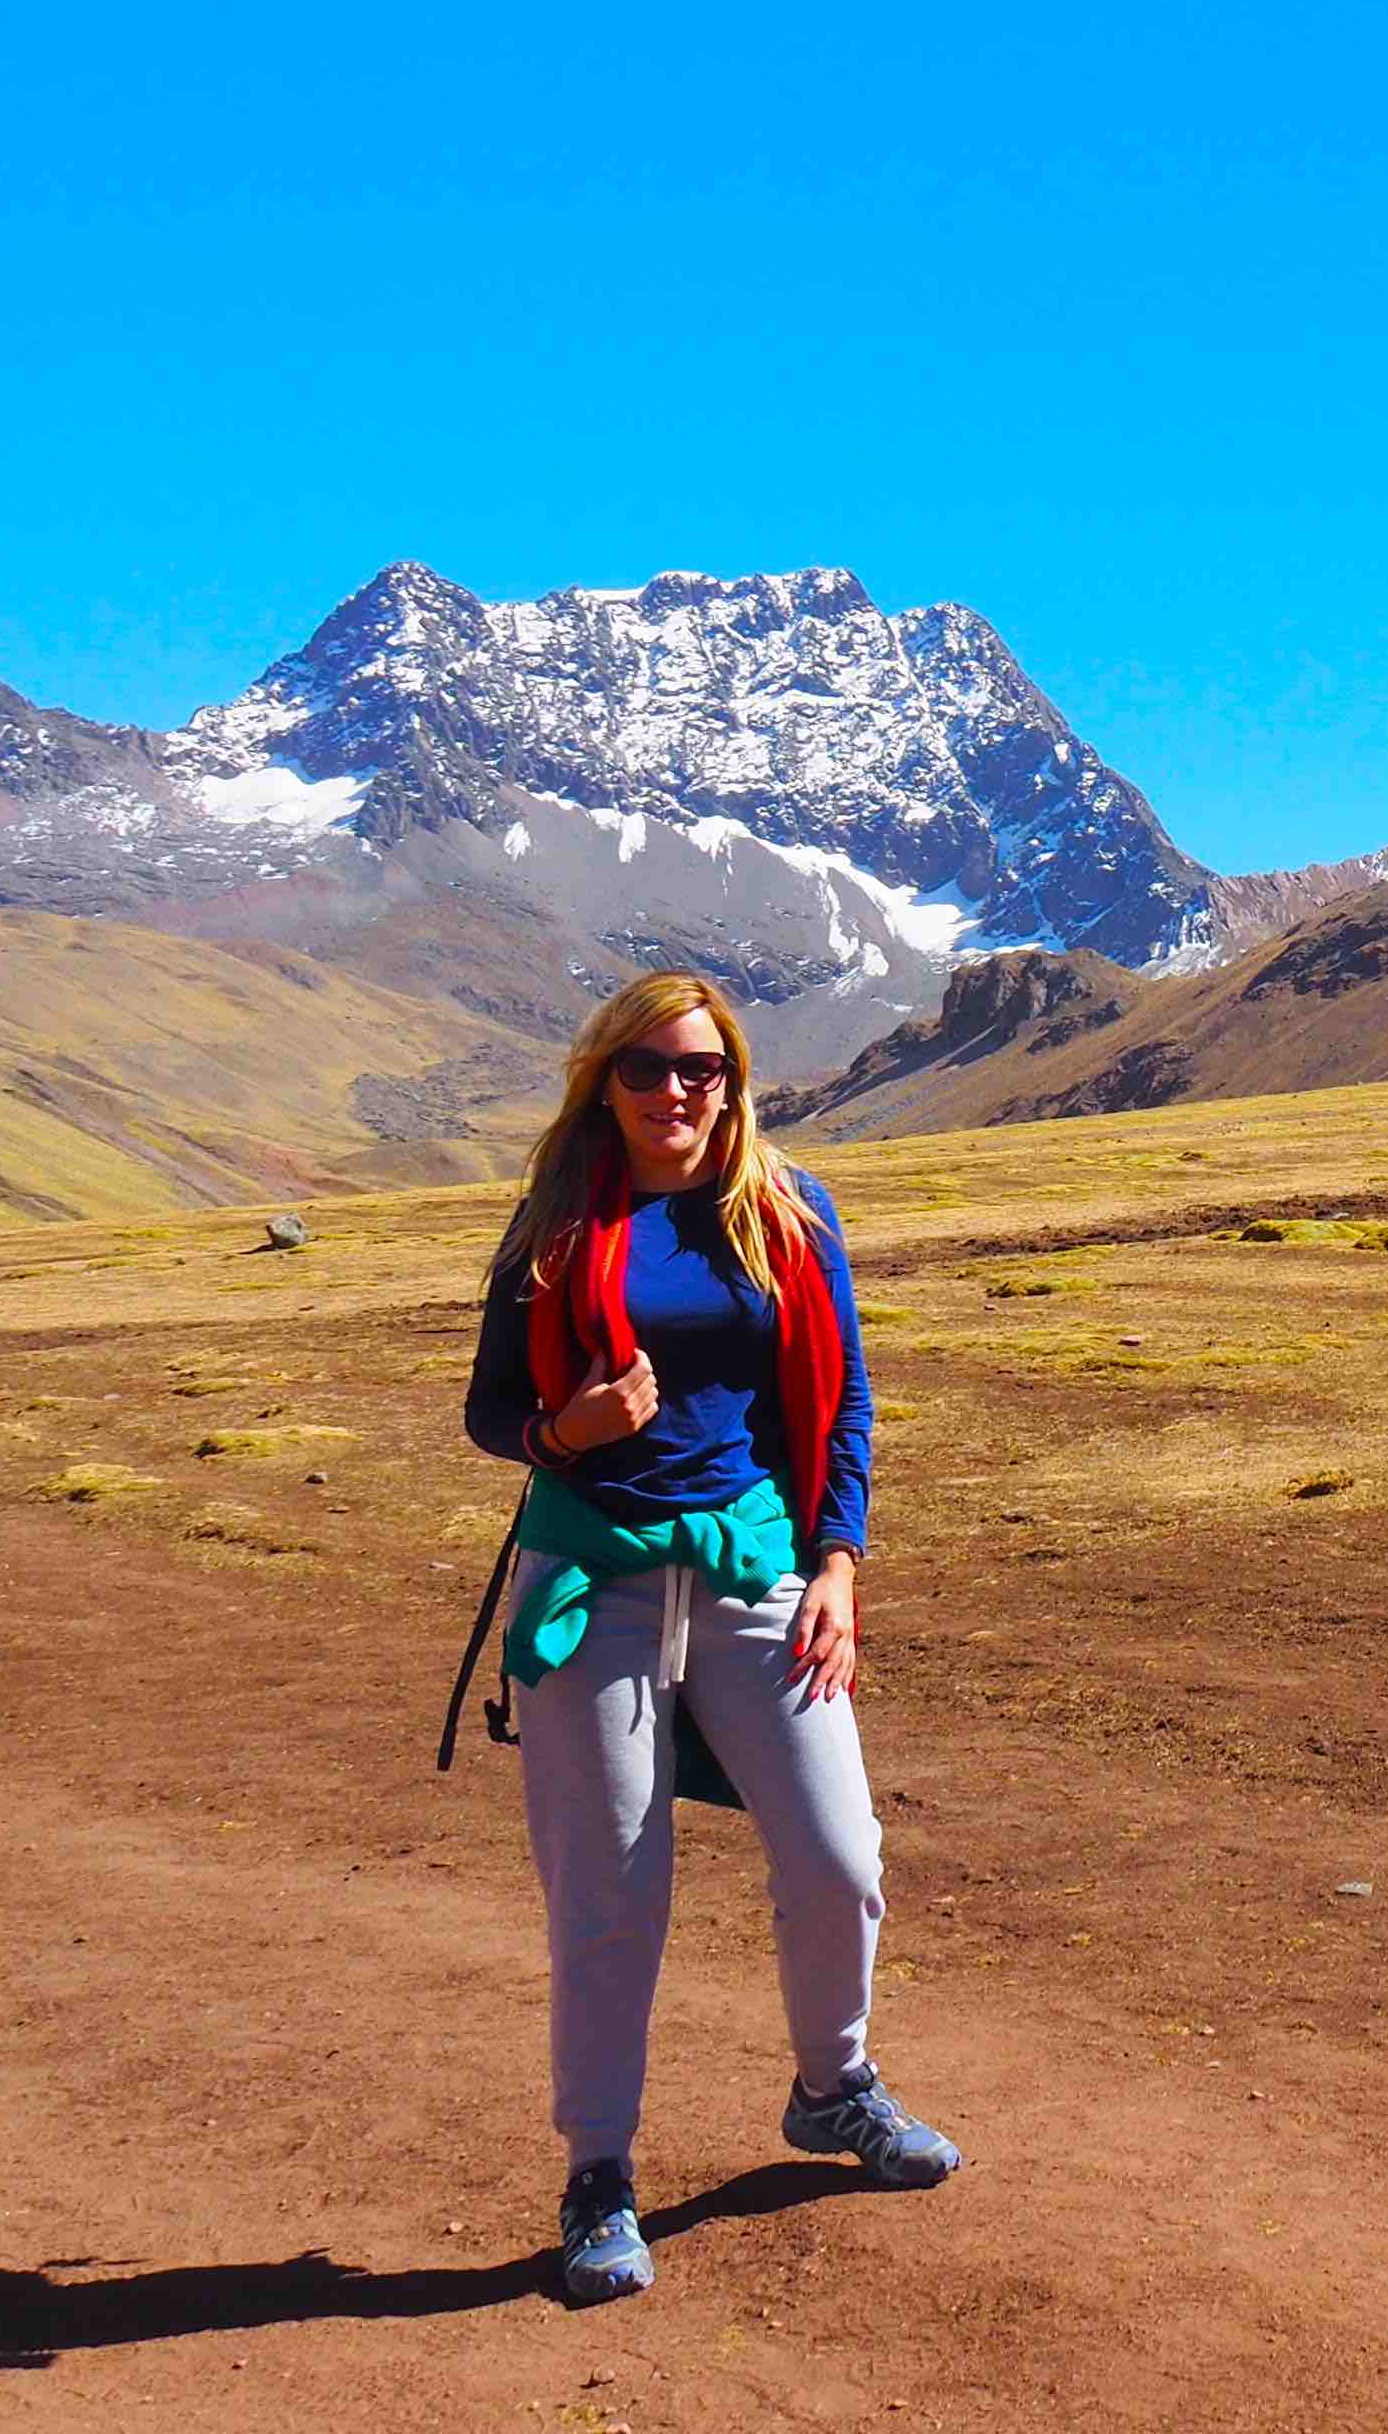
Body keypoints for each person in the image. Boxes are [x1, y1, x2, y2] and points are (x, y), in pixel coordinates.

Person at [458, 970, 955, 2309]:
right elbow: (492, 1410)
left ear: (734, 1080)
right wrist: (573, 1434)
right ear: (603, 1082)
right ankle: (599, 2174)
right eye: (647, 1070)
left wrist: (837, 1564)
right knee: (609, 1892)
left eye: (702, 1070)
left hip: (754, 1567)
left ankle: (832, 2087)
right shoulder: (557, 1223)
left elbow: (842, 1396)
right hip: (594, 1575)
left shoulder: (786, 1210)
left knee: (840, 1853)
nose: (675, 1094)